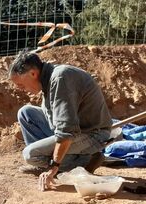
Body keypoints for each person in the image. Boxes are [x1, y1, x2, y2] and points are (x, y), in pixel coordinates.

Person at [9, 50, 112, 191]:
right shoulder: (49, 79)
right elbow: (56, 121)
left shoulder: (60, 78)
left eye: (21, 85)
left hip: (92, 135)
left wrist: (54, 166)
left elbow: (66, 130)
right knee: (26, 113)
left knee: (30, 154)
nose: (21, 89)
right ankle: (48, 163)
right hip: (76, 131)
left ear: (33, 73)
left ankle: (86, 160)